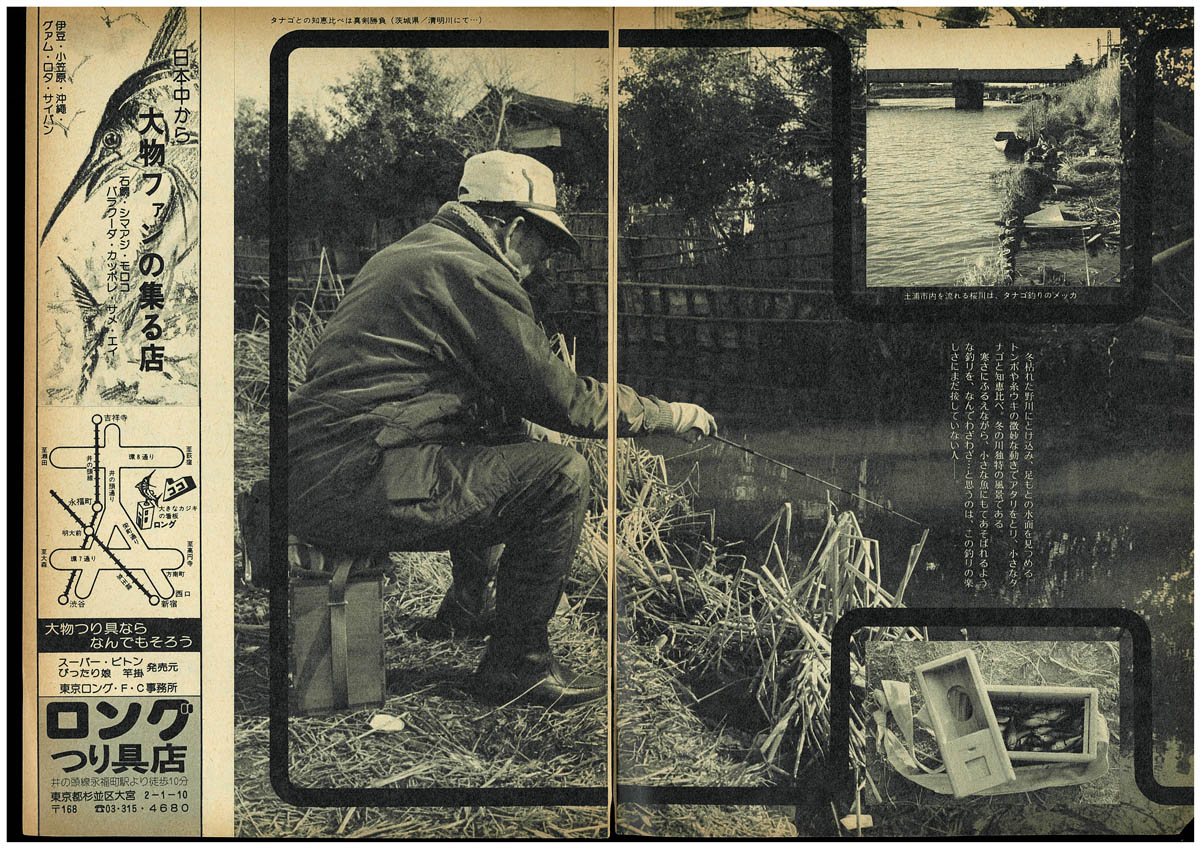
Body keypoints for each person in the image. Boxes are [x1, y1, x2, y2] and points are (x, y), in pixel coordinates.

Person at [288, 150, 717, 708]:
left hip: (319, 470)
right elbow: (565, 401)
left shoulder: (411, 253)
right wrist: (670, 414)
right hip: (354, 480)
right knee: (560, 474)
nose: (542, 264)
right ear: (513, 228)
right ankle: (519, 665)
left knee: (505, 439)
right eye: (543, 243)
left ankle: (467, 608)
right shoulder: (473, 272)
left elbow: (493, 409)